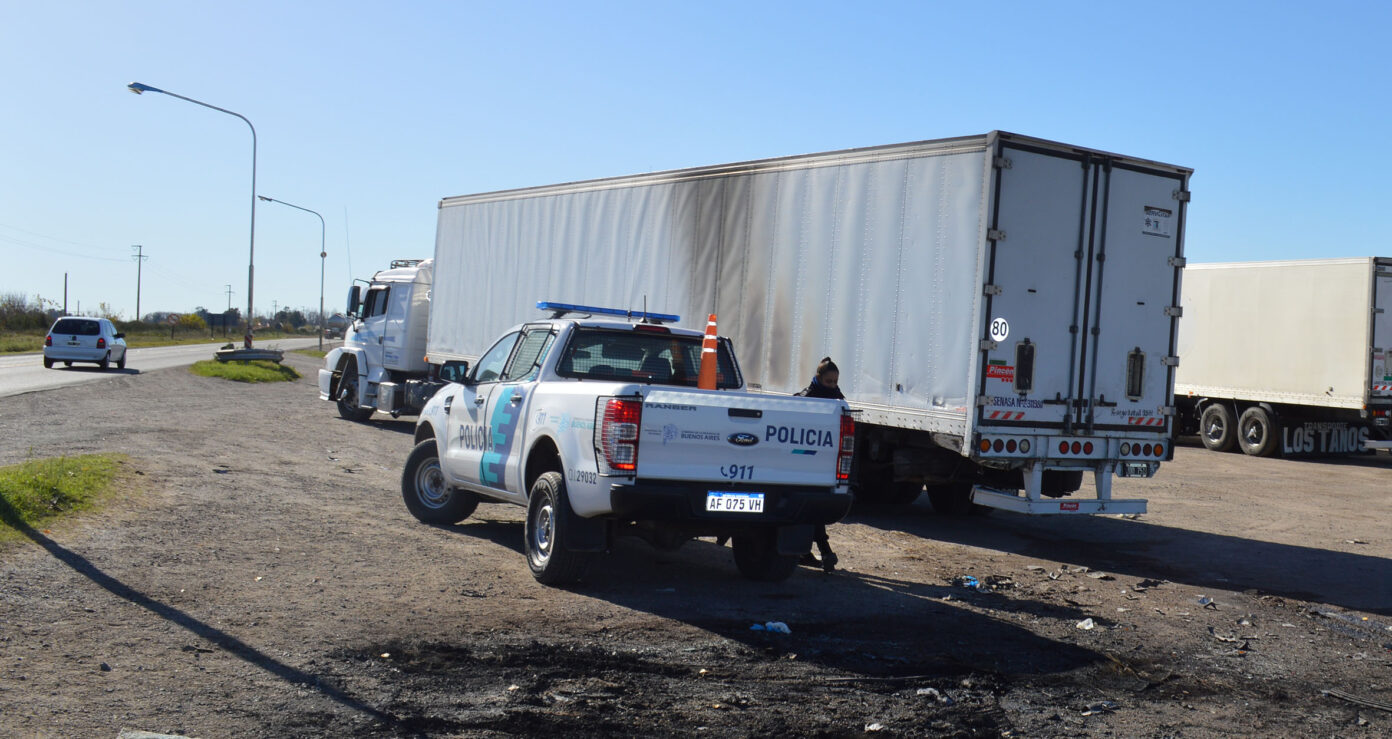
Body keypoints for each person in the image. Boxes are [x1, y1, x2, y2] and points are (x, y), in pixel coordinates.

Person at [795, 357, 843, 572]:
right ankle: (823, 551)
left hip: (822, 464)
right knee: (810, 510)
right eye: (828, 382)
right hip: (804, 462)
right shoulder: (807, 398)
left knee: (813, 510)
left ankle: (812, 551)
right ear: (818, 379)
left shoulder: (837, 399)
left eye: (835, 382)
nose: (832, 386)